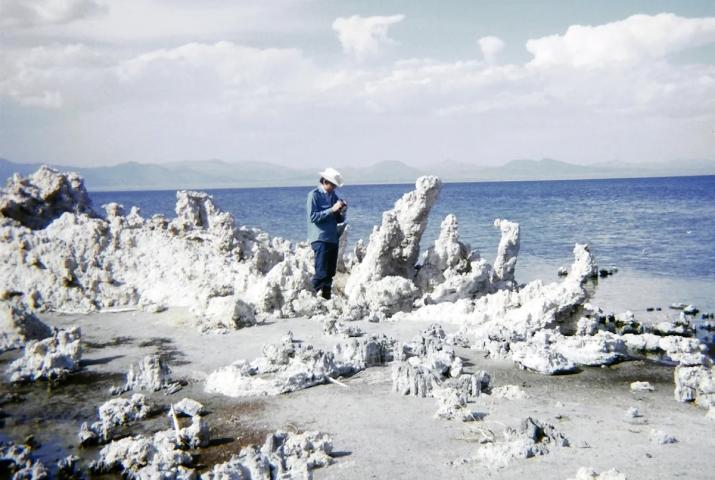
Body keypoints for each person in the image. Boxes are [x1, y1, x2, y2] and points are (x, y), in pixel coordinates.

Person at [306, 167, 347, 300]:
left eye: (335, 185)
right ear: (324, 181)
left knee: (330, 273)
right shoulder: (314, 195)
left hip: (333, 238)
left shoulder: (334, 196)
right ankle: (308, 297)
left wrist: (342, 211)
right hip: (320, 238)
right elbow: (313, 217)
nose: (334, 188)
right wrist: (331, 209)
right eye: (332, 184)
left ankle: (327, 300)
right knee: (321, 273)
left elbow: (339, 219)